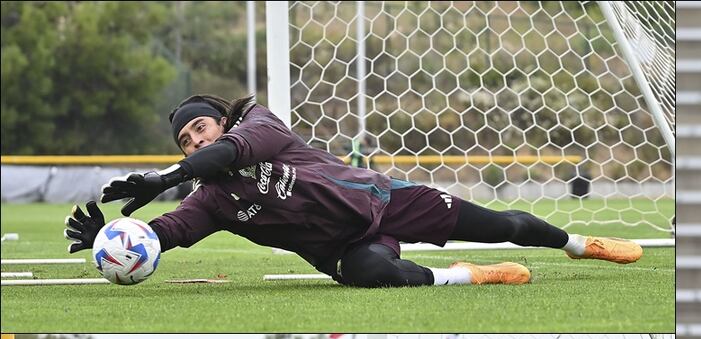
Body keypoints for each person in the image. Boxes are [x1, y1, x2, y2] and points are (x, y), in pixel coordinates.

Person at [64, 94, 643, 287]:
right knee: (376, 278)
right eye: (185, 141)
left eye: (199, 128)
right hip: (342, 248)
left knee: (507, 226)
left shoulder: (259, 127)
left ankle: (577, 242)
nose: (195, 142)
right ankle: (468, 275)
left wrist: (164, 177)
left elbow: (232, 152)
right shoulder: (209, 198)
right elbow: (167, 233)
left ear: (218, 122)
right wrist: (114, 238)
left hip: (385, 199)